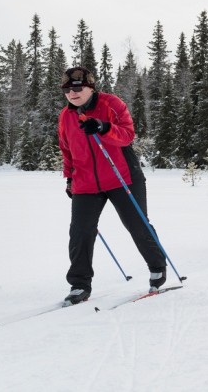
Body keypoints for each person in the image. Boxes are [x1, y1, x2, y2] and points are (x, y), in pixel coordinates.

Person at [58, 66, 167, 306]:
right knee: (80, 231)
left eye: (77, 87)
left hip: (122, 177)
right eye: (67, 89)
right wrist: (69, 178)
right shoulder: (66, 116)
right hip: (86, 182)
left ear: (90, 87)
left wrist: (103, 128)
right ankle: (79, 284)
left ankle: (158, 267)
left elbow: (127, 135)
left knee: (136, 224)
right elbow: (67, 150)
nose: (72, 93)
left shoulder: (111, 104)